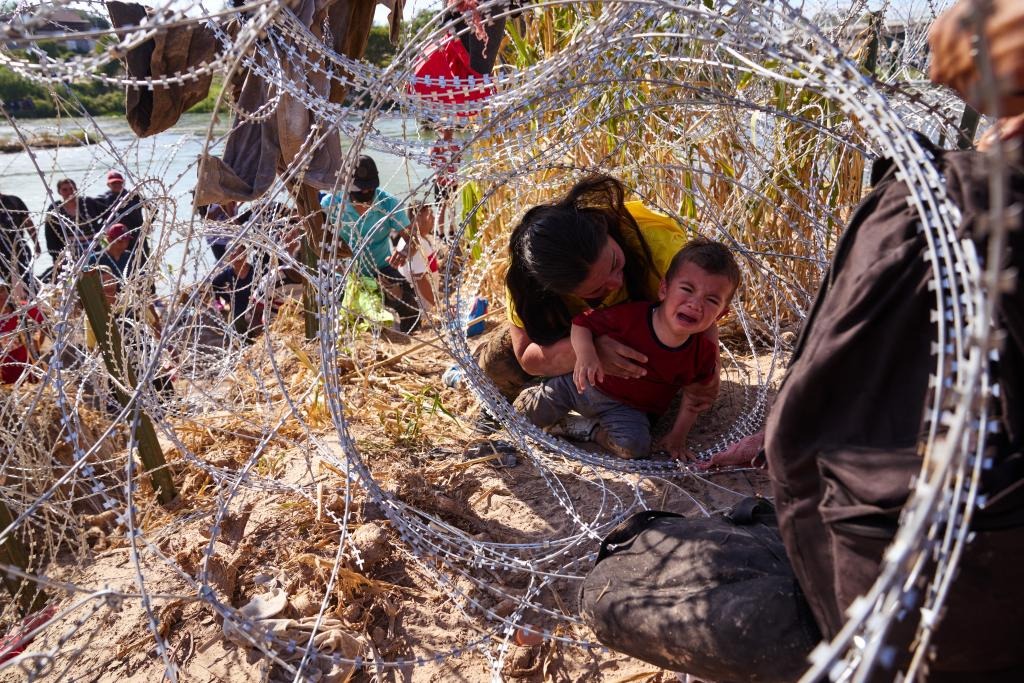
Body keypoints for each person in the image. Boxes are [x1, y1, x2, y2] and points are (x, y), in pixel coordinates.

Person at [477, 175, 719, 410]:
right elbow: (526, 357)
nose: (616, 283)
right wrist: (589, 351)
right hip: (565, 338)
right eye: (596, 290)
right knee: (496, 367)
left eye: (614, 263)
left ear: (601, 227)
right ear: (552, 290)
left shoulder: (658, 247)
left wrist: (709, 373)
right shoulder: (528, 279)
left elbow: (698, 306)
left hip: (644, 346)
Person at [515, 239, 738, 460]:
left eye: (711, 300)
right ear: (663, 289)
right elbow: (582, 324)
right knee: (523, 414)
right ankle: (539, 392)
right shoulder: (631, 317)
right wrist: (586, 355)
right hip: (582, 385)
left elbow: (694, 397)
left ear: (720, 315)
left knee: (635, 448)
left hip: (629, 409)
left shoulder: (702, 354)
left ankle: (586, 429)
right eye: (687, 289)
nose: (695, 304)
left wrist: (677, 437)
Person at [320, 155, 420, 332]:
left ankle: (409, 337)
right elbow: (320, 240)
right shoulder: (331, 204)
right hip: (344, 272)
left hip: (381, 268)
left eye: (370, 188)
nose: (366, 193)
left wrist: (404, 251)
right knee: (339, 316)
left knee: (409, 306)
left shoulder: (387, 203)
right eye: (360, 189)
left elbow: (412, 237)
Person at [44, 178, 106, 270]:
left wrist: (102, 229)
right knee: (74, 277)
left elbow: (108, 213)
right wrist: (55, 256)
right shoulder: (55, 209)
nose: (69, 192)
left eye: (72, 189)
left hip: (92, 246)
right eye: (65, 190)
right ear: (59, 192)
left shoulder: (87, 203)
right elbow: (50, 235)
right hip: (69, 250)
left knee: (93, 273)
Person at [388, 200, 438, 310]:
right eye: (430, 215)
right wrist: (439, 306)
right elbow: (420, 280)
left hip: (426, 305)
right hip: (424, 309)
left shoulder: (420, 240)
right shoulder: (414, 244)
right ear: (418, 218)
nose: (434, 218)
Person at [100, 170, 150, 275]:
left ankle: (148, 289)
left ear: (123, 183)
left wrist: (148, 224)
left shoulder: (134, 196)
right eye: (114, 183)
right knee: (121, 267)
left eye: (119, 182)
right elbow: (99, 220)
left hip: (137, 236)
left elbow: (154, 208)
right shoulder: (105, 199)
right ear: (108, 184)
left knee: (142, 265)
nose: (117, 185)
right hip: (118, 239)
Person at [0, 278, 44, 385]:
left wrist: (38, 343)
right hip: (6, 380)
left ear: (7, 290)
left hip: (30, 376)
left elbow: (44, 322)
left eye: (1, 290)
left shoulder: (21, 309)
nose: (0, 295)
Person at [211, 245, 261, 338]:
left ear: (245, 254)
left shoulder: (255, 271)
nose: (236, 256)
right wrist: (224, 302)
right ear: (228, 257)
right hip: (238, 310)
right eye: (232, 253)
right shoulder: (227, 274)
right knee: (236, 323)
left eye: (239, 252)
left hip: (256, 307)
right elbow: (214, 286)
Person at [0, 192, 36, 291]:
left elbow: (27, 222)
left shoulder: (14, 201)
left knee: (26, 278)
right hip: (2, 252)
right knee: (5, 283)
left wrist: (36, 243)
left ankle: (30, 300)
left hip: (19, 247)